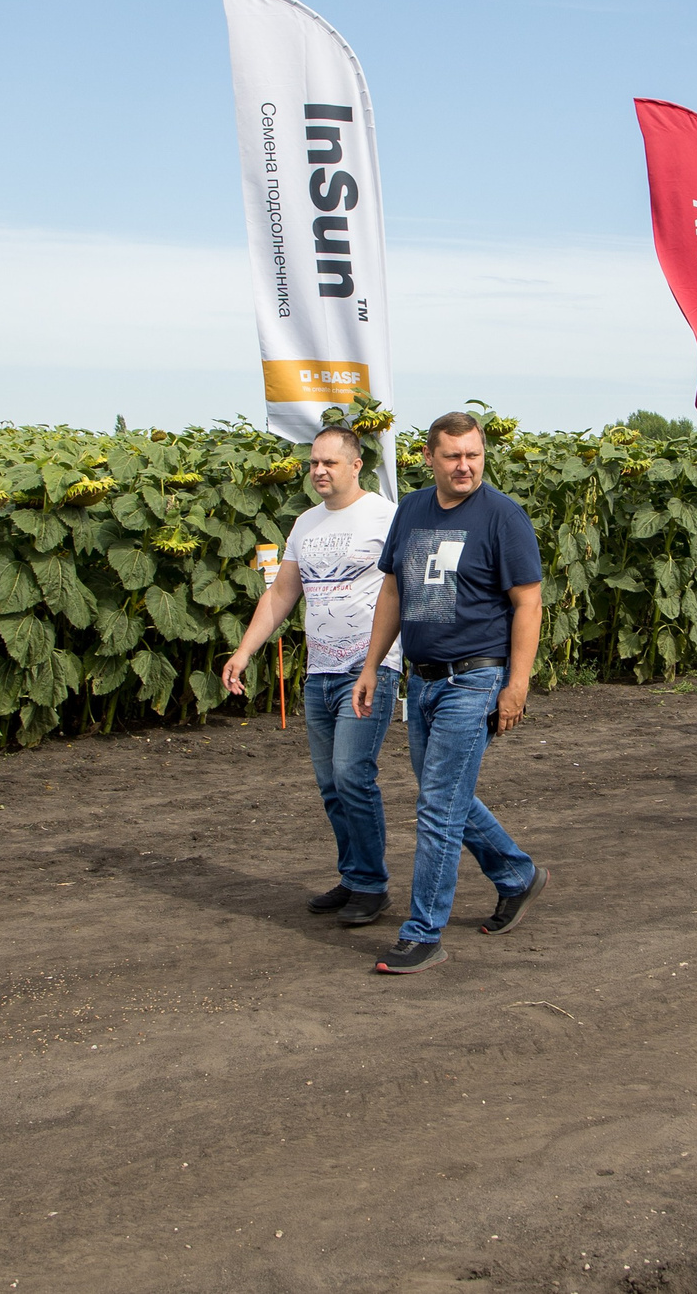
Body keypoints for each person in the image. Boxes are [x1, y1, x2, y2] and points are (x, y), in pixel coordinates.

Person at [352, 413, 546, 975]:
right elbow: (393, 590)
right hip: (424, 678)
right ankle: (517, 875)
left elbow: (527, 603)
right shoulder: (411, 511)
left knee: (437, 804)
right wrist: (372, 666)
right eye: (453, 456)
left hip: (476, 678)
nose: (465, 466)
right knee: (448, 796)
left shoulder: (503, 517)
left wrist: (516, 685)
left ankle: (423, 932)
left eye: (474, 455)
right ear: (430, 458)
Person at [223, 425, 404, 927]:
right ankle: (354, 876)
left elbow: (404, 588)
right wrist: (243, 651)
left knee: (352, 774)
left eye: (329, 463)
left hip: (368, 670)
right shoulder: (305, 523)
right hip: (319, 672)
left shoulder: (386, 517)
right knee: (330, 784)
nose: (319, 471)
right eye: (313, 463)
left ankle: (371, 885)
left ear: (355, 466)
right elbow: (282, 594)